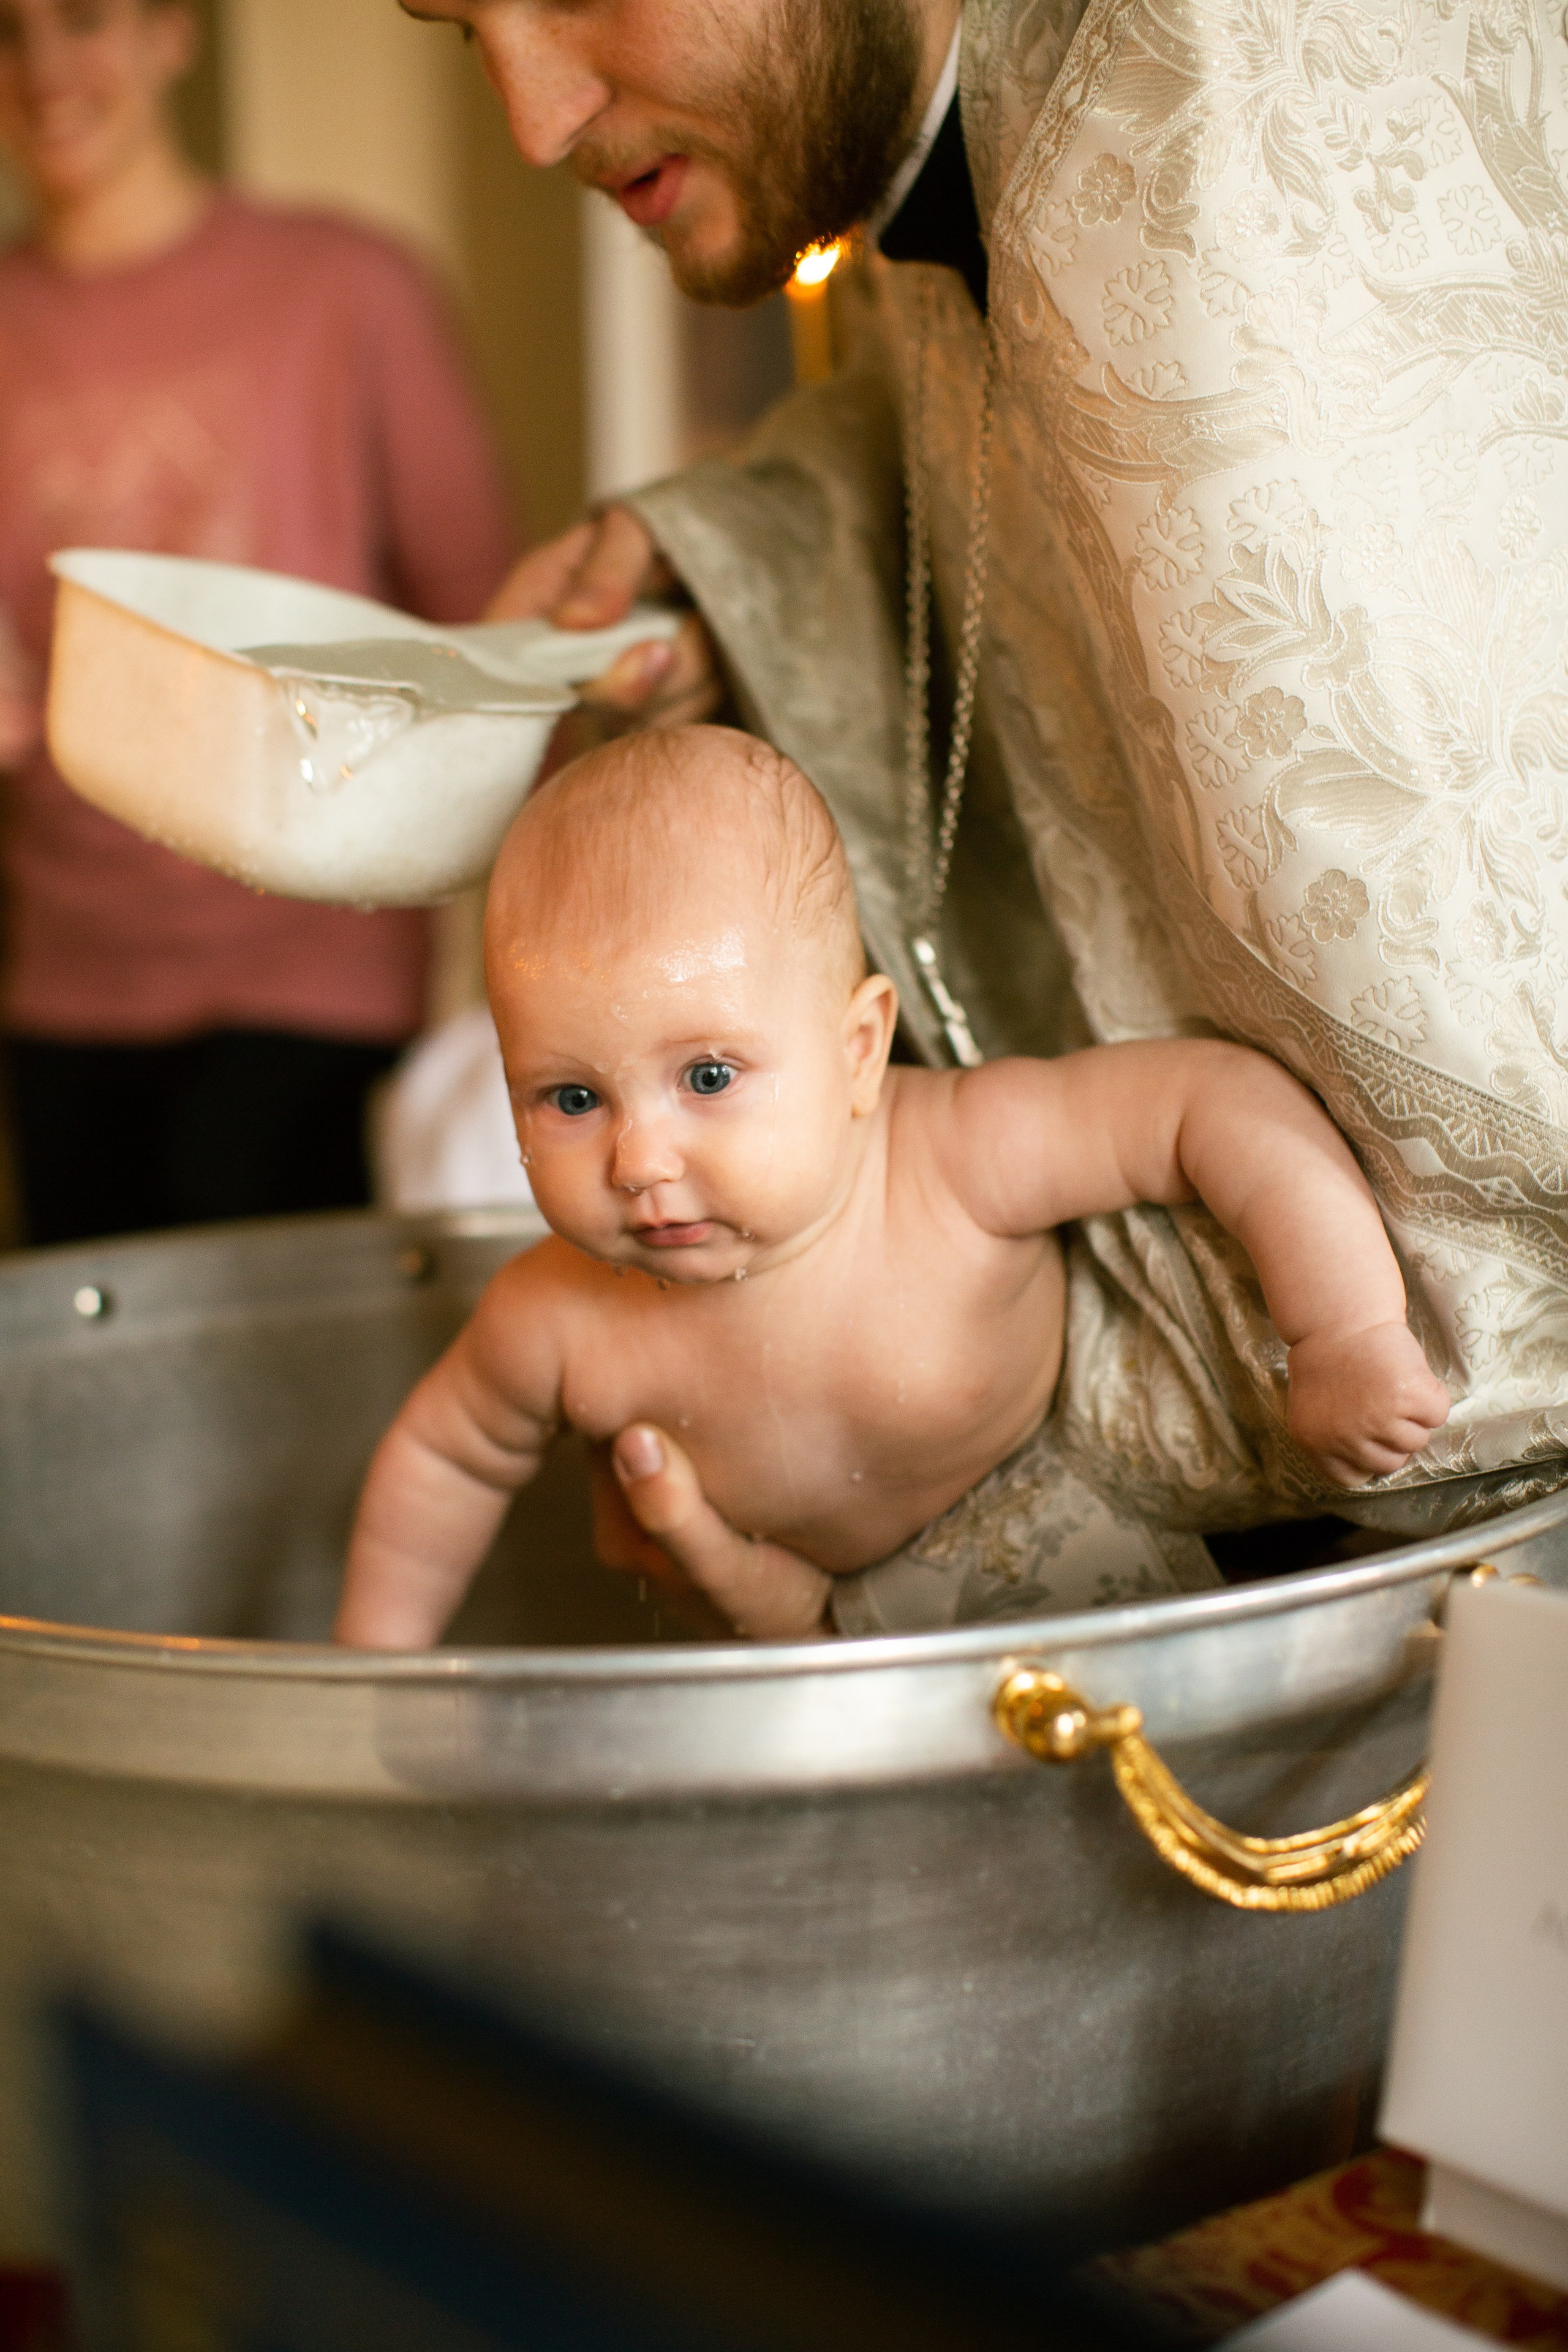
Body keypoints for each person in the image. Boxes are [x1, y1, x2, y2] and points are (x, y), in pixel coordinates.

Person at [394, 0, 1568, 1636]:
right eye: (458, 30)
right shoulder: (924, 158)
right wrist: (721, 567)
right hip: (1183, 1447)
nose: (530, 117)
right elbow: (983, 452)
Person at [336, 729, 1449, 1648]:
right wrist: (372, 1669)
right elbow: (444, 1457)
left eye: (709, 1077)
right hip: (827, 1637)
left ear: (861, 1049)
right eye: (570, 1099)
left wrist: (1341, 1328)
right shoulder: (553, 1316)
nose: (639, 1161)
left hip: (1088, 1546)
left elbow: (1207, 1104)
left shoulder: (956, 1158)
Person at [0, 0, 517, 1244]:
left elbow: (491, 626)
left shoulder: (347, 288)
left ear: (170, 32)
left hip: (315, 973)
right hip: (65, 977)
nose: (47, 69)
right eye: (7, 32)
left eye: (83, 19)